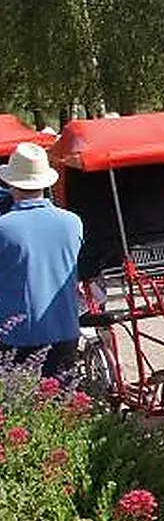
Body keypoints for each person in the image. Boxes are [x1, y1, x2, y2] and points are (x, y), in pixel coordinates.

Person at [0, 143, 84, 379]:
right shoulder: (72, 222)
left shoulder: (4, 227)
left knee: (18, 409)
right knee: (62, 405)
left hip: (15, 334)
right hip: (64, 328)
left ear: (10, 182)